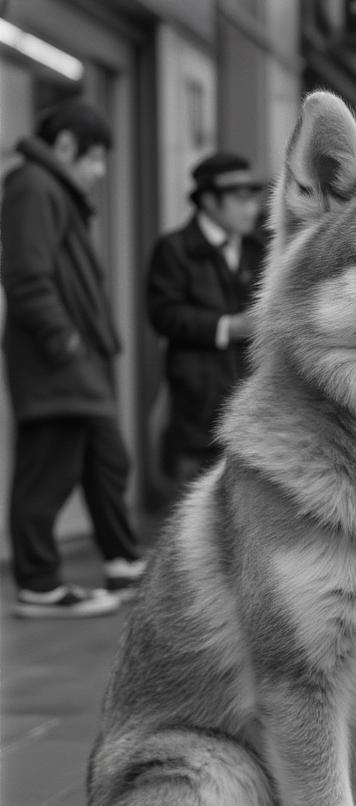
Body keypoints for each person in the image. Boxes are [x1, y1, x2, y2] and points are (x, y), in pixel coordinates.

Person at [1, 100, 145, 619]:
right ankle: (39, 584)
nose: (101, 172)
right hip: (55, 358)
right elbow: (25, 276)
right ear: (65, 146)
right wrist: (64, 341)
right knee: (48, 470)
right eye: (95, 159)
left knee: (107, 459)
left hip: (77, 358)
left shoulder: (50, 190)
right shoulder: (32, 187)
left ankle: (123, 562)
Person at [146, 153, 266, 485]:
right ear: (209, 201)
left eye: (254, 197)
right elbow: (163, 314)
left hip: (252, 400)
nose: (251, 208)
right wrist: (228, 327)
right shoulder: (174, 249)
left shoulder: (260, 248)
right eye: (240, 198)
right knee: (193, 500)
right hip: (197, 402)